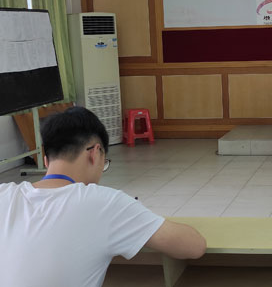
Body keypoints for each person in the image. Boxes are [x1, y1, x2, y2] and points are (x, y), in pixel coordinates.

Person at [0, 107, 207, 287]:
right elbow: (194, 247)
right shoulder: (103, 202)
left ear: (46, 160)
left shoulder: (4, 194)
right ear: (95, 153)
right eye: (104, 162)